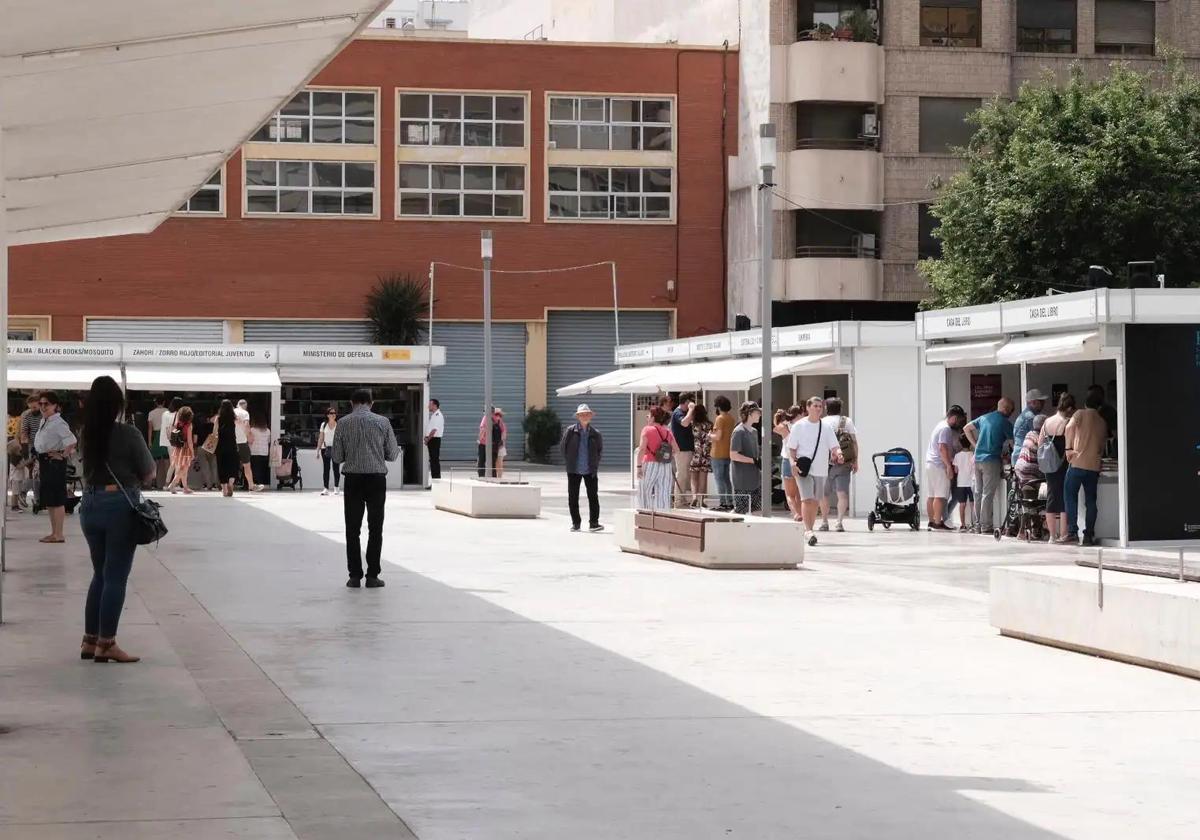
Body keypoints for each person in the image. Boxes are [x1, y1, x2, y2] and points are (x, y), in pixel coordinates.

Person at [78, 375, 156, 664]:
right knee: (115, 577)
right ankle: (107, 643)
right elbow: (149, 473)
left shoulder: (86, 433)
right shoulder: (128, 434)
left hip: (90, 505)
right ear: (117, 405)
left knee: (99, 574)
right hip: (119, 507)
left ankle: (90, 640)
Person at [332, 389, 400, 589]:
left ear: (351, 402)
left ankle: (354, 576)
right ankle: (372, 576)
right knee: (375, 528)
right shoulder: (383, 422)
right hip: (376, 480)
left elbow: (337, 457)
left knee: (352, 530)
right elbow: (393, 454)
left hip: (352, 480)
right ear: (372, 402)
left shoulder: (343, 423)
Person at [786, 396, 843, 547]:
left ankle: (808, 530)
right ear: (808, 408)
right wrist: (792, 463)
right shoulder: (799, 426)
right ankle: (808, 530)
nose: (818, 408)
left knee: (815, 501)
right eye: (815, 406)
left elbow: (834, 446)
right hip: (803, 468)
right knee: (806, 499)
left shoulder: (826, 427)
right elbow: (791, 448)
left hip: (821, 469)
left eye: (820, 406)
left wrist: (839, 453)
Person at [964, 397, 1015, 535]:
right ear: (1006, 409)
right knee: (987, 493)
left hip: (978, 459)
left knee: (978, 492)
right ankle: (986, 525)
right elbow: (1013, 444)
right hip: (991, 459)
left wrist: (976, 445)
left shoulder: (984, 418)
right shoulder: (1005, 422)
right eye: (1011, 410)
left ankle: (977, 525)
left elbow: (966, 428)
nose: (1011, 413)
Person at [1064, 390, 1108, 546]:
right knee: (1090, 501)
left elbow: (1068, 428)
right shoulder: (1102, 422)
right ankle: (1088, 534)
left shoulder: (1080, 414)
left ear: (1085, 403)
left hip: (1077, 463)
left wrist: (1068, 448)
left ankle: (1072, 532)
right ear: (1099, 407)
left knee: (1070, 496)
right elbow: (1102, 447)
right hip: (1093, 466)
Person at [33, 391, 77, 544]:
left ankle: (59, 534)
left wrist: (62, 455)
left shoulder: (58, 422)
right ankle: (54, 533)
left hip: (54, 462)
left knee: (57, 499)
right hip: (45, 460)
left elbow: (72, 441)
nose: (43, 406)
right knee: (50, 499)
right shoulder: (45, 421)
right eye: (41, 403)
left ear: (55, 406)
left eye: (47, 404)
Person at [561, 403, 603, 532]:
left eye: (587, 414)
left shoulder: (595, 433)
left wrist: (594, 464)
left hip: (590, 470)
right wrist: (570, 461)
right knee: (573, 496)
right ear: (578, 417)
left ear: (590, 416)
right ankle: (576, 523)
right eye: (582, 415)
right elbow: (563, 448)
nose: (584, 416)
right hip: (574, 469)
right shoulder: (570, 431)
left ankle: (594, 523)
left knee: (593, 497)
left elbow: (599, 451)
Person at [819, 397, 859, 533]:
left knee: (824, 495)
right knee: (842, 494)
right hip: (844, 463)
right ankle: (839, 522)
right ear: (840, 408)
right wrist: (855, 461)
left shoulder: (822, 422)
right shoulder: (846, 421)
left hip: (825, 463)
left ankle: (824, 522)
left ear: (826, 408)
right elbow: (854, 442)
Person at [1039, 393, 1075, 544]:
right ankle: (1064, 534)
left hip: (1049, 464)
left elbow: (1040, 441)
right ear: (1070, 407)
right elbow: (1072, 443)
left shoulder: (1047, 422)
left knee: (1052, 497)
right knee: (1065, 497)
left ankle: (1052, 536)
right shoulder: (1068, 422)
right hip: (1063, 463)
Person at [925, 406, 966, 531]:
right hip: (939, 465)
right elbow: (942, 448)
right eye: (959, 420)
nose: (959, 423)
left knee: (931, 495)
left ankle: (932, 521)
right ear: (953, 418)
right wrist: (948, 466)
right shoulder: (946, 429)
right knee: (940, 495)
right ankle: (938, 523)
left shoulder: (939, 425)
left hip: (930, 463)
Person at [636, 406, 678, 511]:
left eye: (648, 415)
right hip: (665, 466)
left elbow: (642, 449)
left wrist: (638, 466)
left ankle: (646, 517)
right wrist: (665, 455)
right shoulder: (667, 431)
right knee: (663, 495)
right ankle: (662, 520)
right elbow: (676, 450)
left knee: (644, 492)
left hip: (649, 464)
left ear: (653, 417)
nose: (647, 417)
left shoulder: (647, 429)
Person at [729, 401, 763, 515]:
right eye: (758, 412)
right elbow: (733, 455)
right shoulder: (738, 432)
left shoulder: (754, 431)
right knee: (740, 512)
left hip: (755, 479)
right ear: (750, 413)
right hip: (742, 479)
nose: (760, 415)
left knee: (757, 510)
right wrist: (752, 460)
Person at [774, 408, 802, 521]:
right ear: (799, 414)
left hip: (787, 460)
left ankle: (796, 514)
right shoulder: (802, 427)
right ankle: (801, 513)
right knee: (798, 492)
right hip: (799, 460)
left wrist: (777, 417)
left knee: (789, 494)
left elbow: (775, 428)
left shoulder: (784, 427)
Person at [709, 396, 735, 511]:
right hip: (727, 452)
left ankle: (722, 502)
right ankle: (729, 501)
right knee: (726, 479)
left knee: (719, 479)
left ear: (718, 407)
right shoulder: (731, 418)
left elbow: (718, 436)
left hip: (717, 453)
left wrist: (710, 435)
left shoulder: (720, 419)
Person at [670, 393, 696, 507]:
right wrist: (691, 410)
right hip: (681, 449)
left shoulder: (684, 413)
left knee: (685, 475)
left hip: (687, 448)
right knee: (681, 475)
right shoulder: (678, 413)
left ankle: (682, 499)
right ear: (686, 402)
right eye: (690, 402)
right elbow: (685, 423)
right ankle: (678, 501)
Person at [1011, 390, 1048, 467]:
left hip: (1019, 456)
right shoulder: (1030, 418)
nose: (1044, 404)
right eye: (1041, 402)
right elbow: (1040, 437)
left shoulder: (1025, 415)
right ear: (1033, 402)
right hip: (1024, 458)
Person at [164, 406, 195, 495]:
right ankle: (172, 484)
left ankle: (185, 487)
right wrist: (192, 452)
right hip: (185, 448)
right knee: (183, 468)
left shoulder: (178, 423)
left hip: (178, 448)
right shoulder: (189, 425)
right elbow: (189, 441)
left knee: (183, 469)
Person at [688, 403, 713, 507]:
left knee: (694, 477)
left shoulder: (693, 424)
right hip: (706, 453)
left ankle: (694, 497)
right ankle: (701, 500)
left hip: (696, 452)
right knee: (703, 478)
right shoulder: (710, 424)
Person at [215, 400, 240, 498]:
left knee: (222, 467)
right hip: (232, 445)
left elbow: (214, 432)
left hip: (221, 446)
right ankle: (231, 483)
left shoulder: (218, 418)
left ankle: (224, 490)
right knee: (233, 466)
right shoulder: (234, 418)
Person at [234, 399, 260, 491]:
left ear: (237, 404)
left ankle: (228, 485)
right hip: (241, 442)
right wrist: (249, 435)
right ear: (245, 406)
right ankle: (251, 485)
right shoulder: (245, 413)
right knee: (247, 465)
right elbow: (246, 425)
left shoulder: (231, 411)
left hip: (231, 442)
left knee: (231, 464)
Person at [1014, 415, 1046, 487]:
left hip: (1019, 467)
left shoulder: (1029, 434)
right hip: (1030, 470)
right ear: (1044, 426)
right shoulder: (1040, 438)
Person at [952, 435, 975, 532]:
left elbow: (956, 470)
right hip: (972, 482)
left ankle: (963, 524)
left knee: (962, 504)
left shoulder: (957, 455)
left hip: (961, 482)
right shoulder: (973, 454)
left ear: (960, 444)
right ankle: (974, 524)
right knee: (973, 503)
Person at [317, 407, 341, 496]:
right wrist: (317, 450)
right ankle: (326, 488)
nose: (333, 414)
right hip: (325, 448)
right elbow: (321, 438)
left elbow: (341, 438)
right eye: (331, 413)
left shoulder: (338, 424)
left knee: (336, 469)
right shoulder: (323, 425)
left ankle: (336, 488)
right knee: (326, 469)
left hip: (336, 449)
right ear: (327, 415)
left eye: (334, 413)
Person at [159, 397, 182, 489]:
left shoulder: (165, 414)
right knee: (176, 463)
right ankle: (173, 484)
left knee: (173, 463)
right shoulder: (178, 414)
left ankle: (168, 483)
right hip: (175, 441)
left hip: (167, 441)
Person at [248, 408, 271, 491]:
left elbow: (249, 441)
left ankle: (255, 484)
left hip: (254, 452)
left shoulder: (252, 430)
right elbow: (268, 441)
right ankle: (261, 483)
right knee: (261, 469)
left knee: (254, 469)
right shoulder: (268, 431)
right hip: (264, 452)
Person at [193, 409, 217, 491]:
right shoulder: (211, 425)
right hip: (211, 446)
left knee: (205, 467)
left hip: (201, 447)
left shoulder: (196, 427)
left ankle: (208, 485)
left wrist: (194, 450)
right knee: (213, 466)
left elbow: (195, 440)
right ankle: (216, 484)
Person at [477, 409, 503, 478]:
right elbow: (502, 432)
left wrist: (479, 439)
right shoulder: (497, 419)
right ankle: (493, 477)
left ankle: (481, 476)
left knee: (481, 461)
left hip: (484, 444)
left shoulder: (485, 417)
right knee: (492, 463)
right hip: (494, 445)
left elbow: (483, 429)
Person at [425, 399, 444, 480]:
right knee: (433, 460)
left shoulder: (438, 415)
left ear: (435, 405)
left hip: (434, 440)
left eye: (430, 404)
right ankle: (434, 479)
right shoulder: (434, 415)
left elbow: (434, 430)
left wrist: (428, 439)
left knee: (434, 460)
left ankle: (436, 479)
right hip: (432, 439)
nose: (428, 406)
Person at [494, 408, 509, 478]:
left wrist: (501, 443)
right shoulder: (499, 423)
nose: (498, 416)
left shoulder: (500, 423)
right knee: (498, 463)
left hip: (499, 446)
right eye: (497, 414)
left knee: (498, 463)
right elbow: (504, 435)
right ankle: (498, 477)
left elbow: (504, 435)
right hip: (499, 446)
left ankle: (499, 477)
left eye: (499, 415)